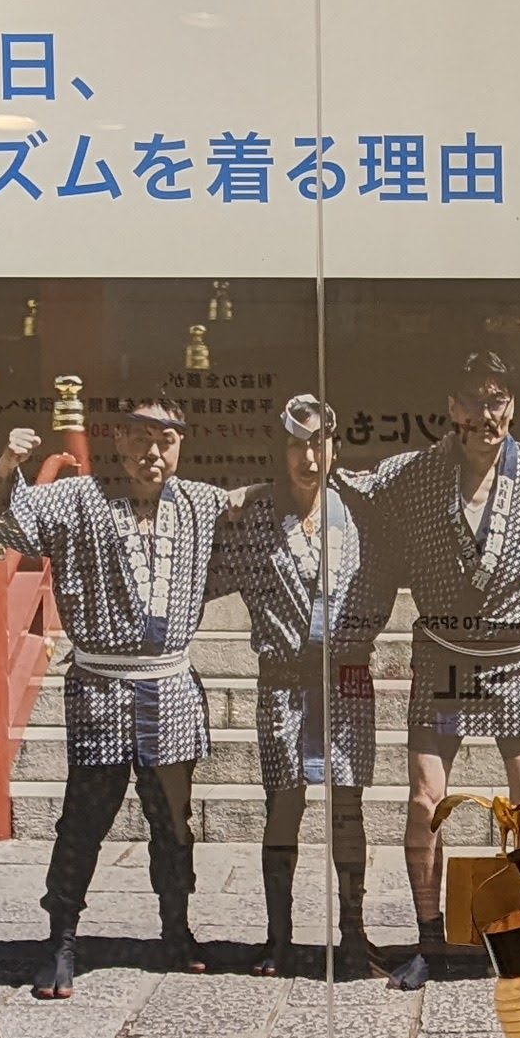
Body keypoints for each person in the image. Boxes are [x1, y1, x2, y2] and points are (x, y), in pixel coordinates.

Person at [346, 351, 520, 988]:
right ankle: (429, 938)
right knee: (426, 800)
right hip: (443, 655)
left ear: (514, 405)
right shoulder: (411, 474)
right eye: (473, 400)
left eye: (498, 398)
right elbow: (341, 485)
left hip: (514, 657)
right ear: (451, 408)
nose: (486, 413)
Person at [0, 395, 234, 991]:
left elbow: (257, 507)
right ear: (119, 442)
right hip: (99, 685)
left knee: (173, 822)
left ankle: (176, 930)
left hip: (169, 685)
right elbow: (3, 517)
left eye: (166, 440)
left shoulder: (200, 501)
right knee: (84, 818)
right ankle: (61, 939)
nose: (153, 452)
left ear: (181, 444)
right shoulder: (76, 499)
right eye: (141, 438)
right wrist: (5, 466)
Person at [207, 395, 379, 976]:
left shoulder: (359, 511)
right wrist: (250, 492)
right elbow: (202, 560)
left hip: (345, 680)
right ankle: (278, 937)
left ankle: (352, 932)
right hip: (281, 681)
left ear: (335, 447)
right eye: (297, 444)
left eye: (319, 443)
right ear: (280, 450)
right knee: (283, 807)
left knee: (347, 810)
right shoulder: (256, 519)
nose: (309, 456)